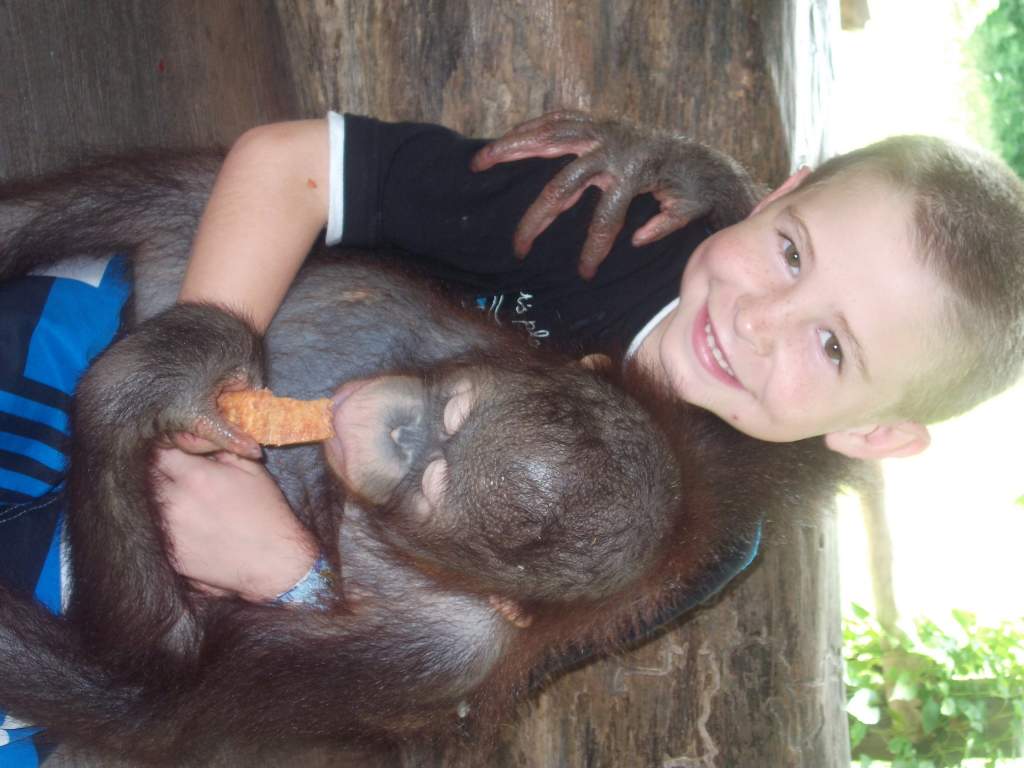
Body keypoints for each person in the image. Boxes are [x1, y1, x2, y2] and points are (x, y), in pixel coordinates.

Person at [157, 110, 1024, 605]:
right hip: (192, 335)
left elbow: (438, 678)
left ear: (876, 433)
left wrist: (294, 581)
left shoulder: (700, 543)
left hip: (222, 576)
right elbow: (294, 165)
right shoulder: (601, 226)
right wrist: (195, 357)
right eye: (791, 253)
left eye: (832, 346)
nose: (758, 319)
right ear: (780, 193)